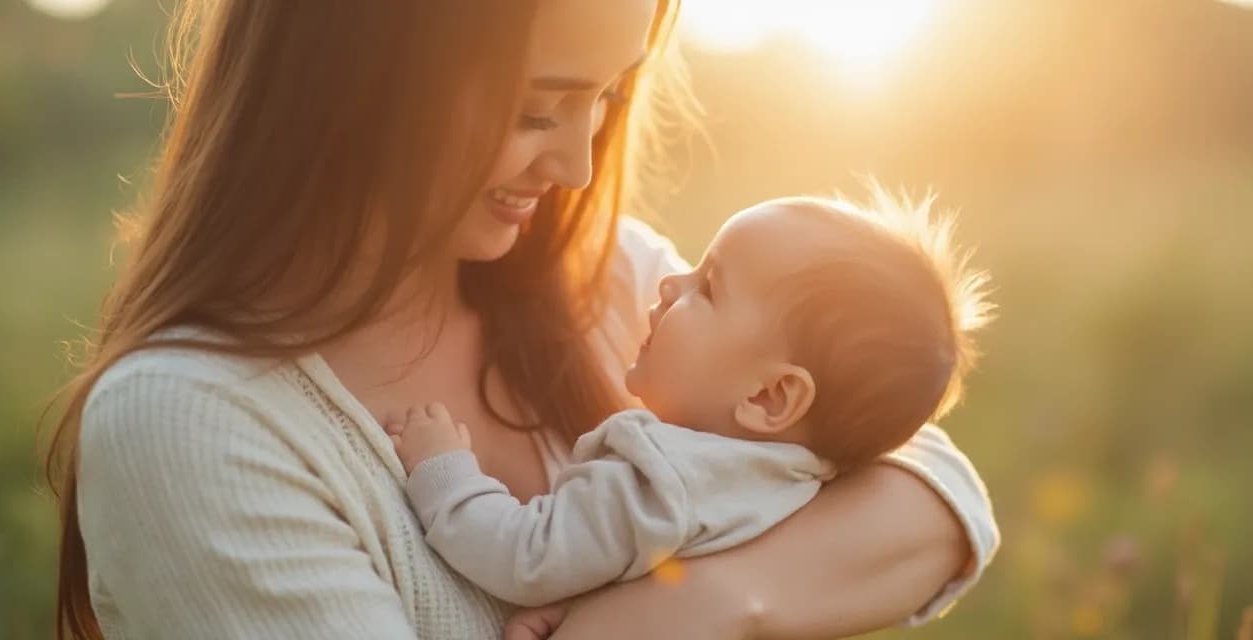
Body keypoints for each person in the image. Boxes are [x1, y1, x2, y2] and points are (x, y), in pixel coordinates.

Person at [43, 1, 1000, 638]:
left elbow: (937, 488)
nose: (579, 167)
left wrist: (703, 607)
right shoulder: (195, 424)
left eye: (608, 97)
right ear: (356, 79)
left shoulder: (610, 279)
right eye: (539, 111)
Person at [385, 194, 993, 631]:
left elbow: (525, 555)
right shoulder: (798, 483)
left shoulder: (660, 477)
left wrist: (444, 469)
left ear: (769, 397)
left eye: (707, 287)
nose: (671, 284)